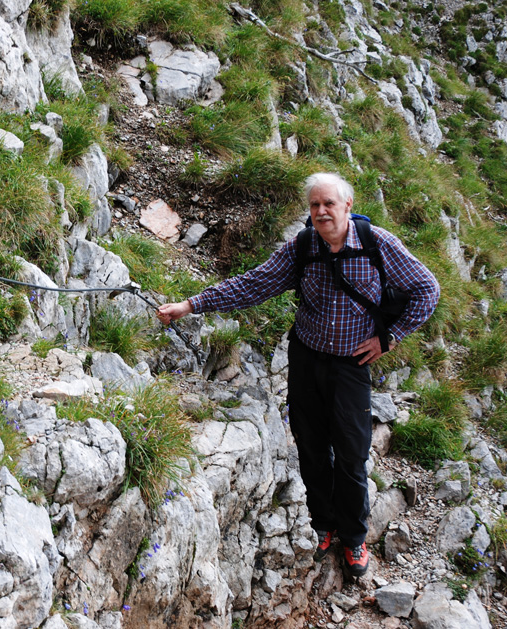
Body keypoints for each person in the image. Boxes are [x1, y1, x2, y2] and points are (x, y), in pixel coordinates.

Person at [157, 172, 440, 577]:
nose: (321, 211)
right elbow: (255, 284)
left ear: (347, 204)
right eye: (314, 205)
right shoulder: (303, 246)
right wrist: (190, 304)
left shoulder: (378, 244)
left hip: (351, 366)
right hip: (306, 359)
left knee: (351, 453)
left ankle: (355, 538)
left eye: (329, 203)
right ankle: (323, 523)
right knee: (310, 445)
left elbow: (427, 289)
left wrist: (390, 337)